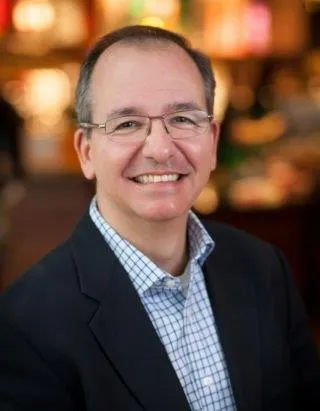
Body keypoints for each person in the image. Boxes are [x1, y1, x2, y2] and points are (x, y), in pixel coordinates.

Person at [0, 25, 319, 411]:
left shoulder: (264, 268)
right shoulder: (24, 323)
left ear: (213, 141)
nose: (160, 149)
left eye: (183, 119)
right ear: (86, 152)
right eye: (127, 124)